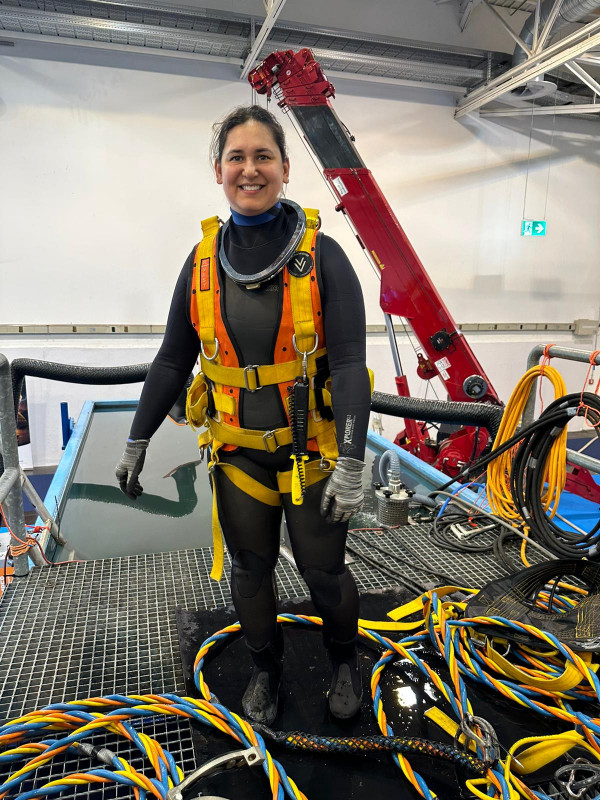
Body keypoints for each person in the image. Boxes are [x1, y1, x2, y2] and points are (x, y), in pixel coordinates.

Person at [115, 105, 371, 725]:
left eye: (263, 157)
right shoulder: (202, 262)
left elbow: (348, 365)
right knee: (250, 571)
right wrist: (136, 440)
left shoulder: (325, 256)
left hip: (312, 455)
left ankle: (345, 661)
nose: (250, 169)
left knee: (323, 572)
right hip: (238, 455)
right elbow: (172, 359)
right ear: (218, 170)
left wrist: (352, 460)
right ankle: (266, 671)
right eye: (237, 157)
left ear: (284, 168)